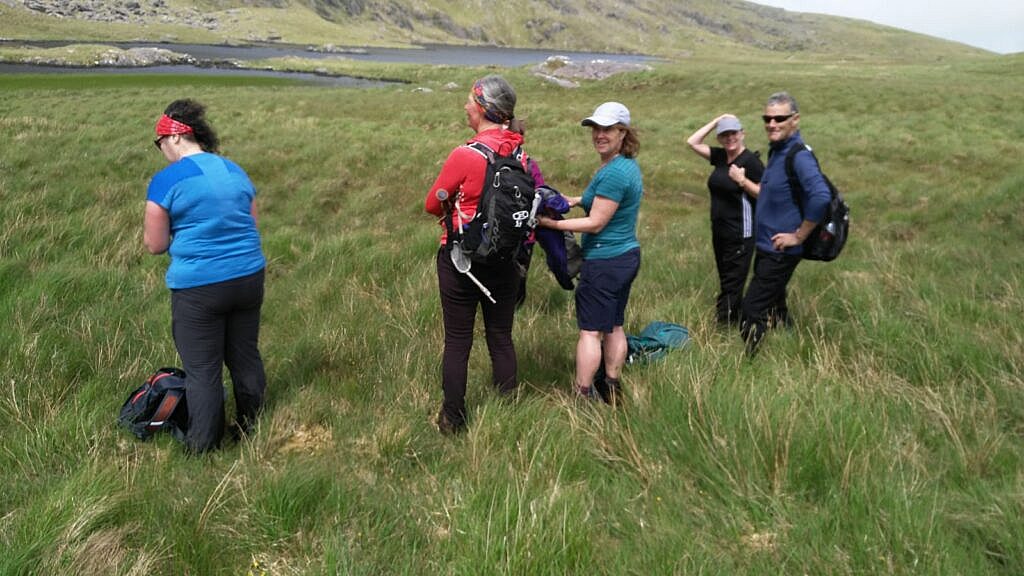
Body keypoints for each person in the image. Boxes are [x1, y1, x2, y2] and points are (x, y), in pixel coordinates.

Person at [144, 99, 267, 453]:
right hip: (248, 277)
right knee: (245, 356)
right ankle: (252, 429)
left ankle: (202, 446)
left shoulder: (166, 180)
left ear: (177, 136)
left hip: (199, 287)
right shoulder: (235, 170)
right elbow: (251, 225)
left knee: (202, 369)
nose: (161, 150)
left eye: (160, 142)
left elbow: (154, 244)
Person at [424, 75, 526, 434]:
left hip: (460, 261)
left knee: (458, 341)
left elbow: (430, 204)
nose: (465, 107)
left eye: (470, 101)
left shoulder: (465, 155)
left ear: (483, 109)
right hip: (506, 260)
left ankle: (453, 418)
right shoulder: (520, 153)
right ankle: (509, 412)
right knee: (500, 336)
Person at [536, 102, 643, 404]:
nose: (599, 134)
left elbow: (596, 222)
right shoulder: (622, 166)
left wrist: (549, 224)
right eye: (595, 128)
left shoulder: (614, 174)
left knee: (590, 332)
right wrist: (565, 200)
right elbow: (591, 201)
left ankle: (582, 395)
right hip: (624, 257)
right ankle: (611, 385)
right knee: (615, 326)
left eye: (607, 129)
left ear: (623, 132)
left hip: (606, 261)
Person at [740, 92, 831, 355]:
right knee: (776, 307)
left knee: (752, 309)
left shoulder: (798, 155)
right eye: (767, 118)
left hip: (781, 251)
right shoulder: (778, 151)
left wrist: (798, 237)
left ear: (795, 120)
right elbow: (770, 193)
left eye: (779, 118)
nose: (772, 124)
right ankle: (790, 347)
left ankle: (750, 363)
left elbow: (821, 196)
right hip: (768, 247)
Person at [686, 114, 763, 325]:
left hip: (741, 231)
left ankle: (723, 326)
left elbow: (765, 194)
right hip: (720, 230)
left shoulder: (751, 161)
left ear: (742, 134)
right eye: (724, 134)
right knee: (725, 276)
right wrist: (717, 120)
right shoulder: (720, 157)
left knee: (732, 281)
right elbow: (692, 141)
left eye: (734, 133)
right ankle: (735, 318)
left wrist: (742, 181)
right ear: (720, 138)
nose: (730, 138)